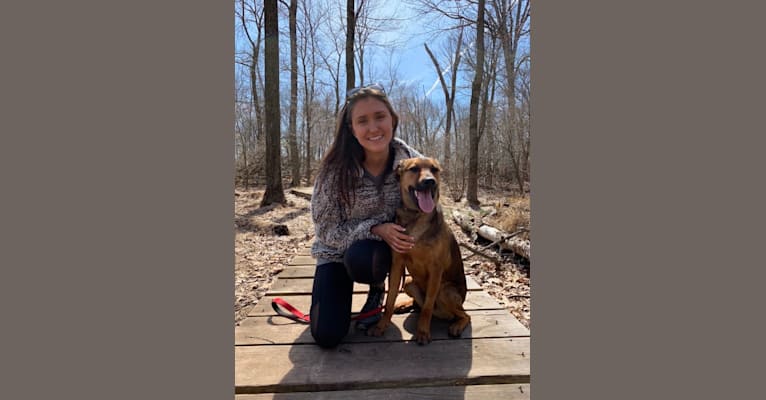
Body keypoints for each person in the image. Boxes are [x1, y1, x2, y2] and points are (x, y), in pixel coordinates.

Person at [309, 83, 423, 348]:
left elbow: (432, 207)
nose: (373, 128)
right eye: (362, 121)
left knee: (367, 257)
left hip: (382, 256)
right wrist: (375, 228)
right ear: (352, 128)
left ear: (393, 120)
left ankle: (376, 291)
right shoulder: (333, 171)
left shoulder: (412, 162)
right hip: (335, 253)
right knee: (327, 336)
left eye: (380, 117)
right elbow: (325, 230)